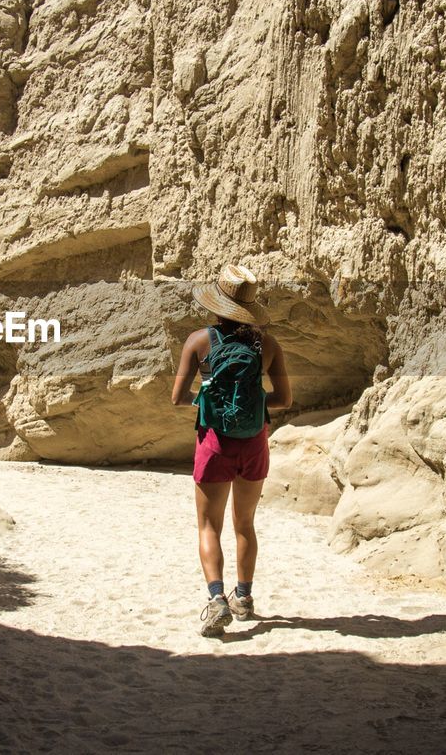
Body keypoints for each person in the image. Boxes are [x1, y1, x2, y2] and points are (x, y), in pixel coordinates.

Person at [172, 265, 292, 637]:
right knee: (245, 524)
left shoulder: (198, 341)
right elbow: (283, 399)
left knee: (209, 525)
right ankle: (244, 597)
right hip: (254, 444)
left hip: (214, 443)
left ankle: (217, 599)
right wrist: (252, 407)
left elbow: (178, 398)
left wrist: (207, 403)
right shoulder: (268, 346)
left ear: (217, 304)